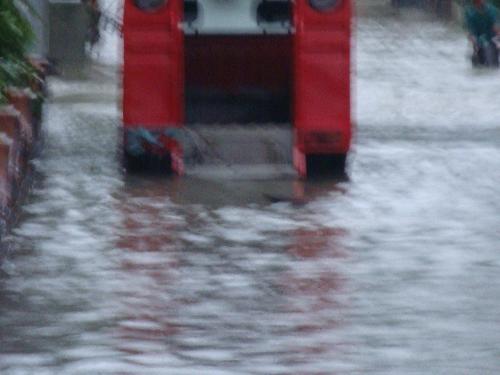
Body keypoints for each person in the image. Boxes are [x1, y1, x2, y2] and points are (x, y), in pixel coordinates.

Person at [464, 0, 500, 66]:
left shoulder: (492, 11)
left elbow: (496, 27)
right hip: (478, 43)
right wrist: (472, 37)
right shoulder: (470, 13)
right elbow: (470, 31)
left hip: (491, 41)